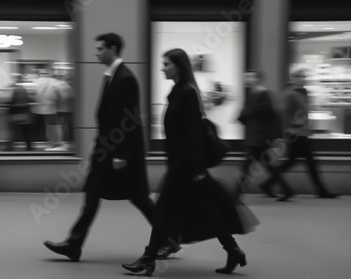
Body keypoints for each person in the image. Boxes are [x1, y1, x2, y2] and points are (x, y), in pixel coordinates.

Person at [122, 49, 258, 276]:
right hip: (180, 165)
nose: (162, 68)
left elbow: (194, 134)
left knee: (164, 211)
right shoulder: (177, 92)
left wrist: (197, 171)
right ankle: (234, 251)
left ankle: (148, 258)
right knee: (207, 210)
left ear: (179, 66)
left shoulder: (187, 93)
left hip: (186, 168)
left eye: (166, 64)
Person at [43, 33, 156, 261]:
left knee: (139, 198)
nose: (97, 52)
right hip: (107, 150)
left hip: (118, 153)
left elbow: (129, 119)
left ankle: (170, 237)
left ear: (112, 50)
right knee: (93, 194)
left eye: (100, 48)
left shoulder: (125, 78)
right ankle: (74, 244)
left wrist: (121, 154)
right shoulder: (112, 76)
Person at [259, 69, 339, 199]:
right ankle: (321, 190)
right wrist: (289, 128)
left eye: (304, 76)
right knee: (309, 161)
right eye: (300, 76)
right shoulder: (290, 94)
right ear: (292, 78)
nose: (303, 79)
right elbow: (283, 113)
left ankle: (268, 184)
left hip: (302, 132)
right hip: (295, 133)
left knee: (293, 160)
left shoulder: (302, 93)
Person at [237, 70, 294, 201]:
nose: (247, 80)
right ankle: (287, 190)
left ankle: (235, 196)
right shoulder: (253, 95)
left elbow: (267, 114)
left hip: (259, 137)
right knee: (268, 164)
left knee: (246, 167)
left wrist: (246, 113)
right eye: (246, 77)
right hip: (256, 137)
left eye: (250, 77)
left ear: (257, 79)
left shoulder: (262, 94)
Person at [33, 69, 61, 151]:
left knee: (43, 127)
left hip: (38, 108)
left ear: (40, 74)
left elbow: (34, 93)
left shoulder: (37, 81)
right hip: (51, 108)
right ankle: (53, 143)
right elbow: (58, 94)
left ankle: (49, 143)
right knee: (51, 127)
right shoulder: (54, 81)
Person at [7, 76, 34, 151]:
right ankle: (29, 147)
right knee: (26, 133)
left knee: (12, 132)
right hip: (25, 114)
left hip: (15, 115)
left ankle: (10, 147)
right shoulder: (25, 90)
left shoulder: (14, 90)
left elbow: (10, 101)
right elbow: (29, 100)